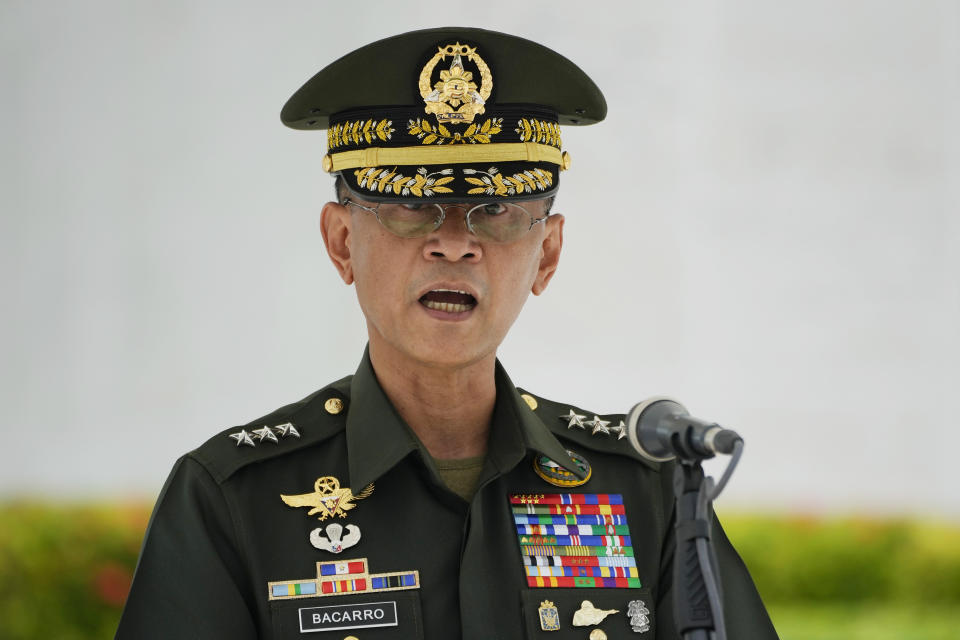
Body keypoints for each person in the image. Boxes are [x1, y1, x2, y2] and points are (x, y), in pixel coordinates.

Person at [116, 27, 778, 640]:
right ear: (341, 241)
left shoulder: (645, 490)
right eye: (410, 205)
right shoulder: (233, 499)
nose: (455, 243)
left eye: (495, 209)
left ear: (546, 255)